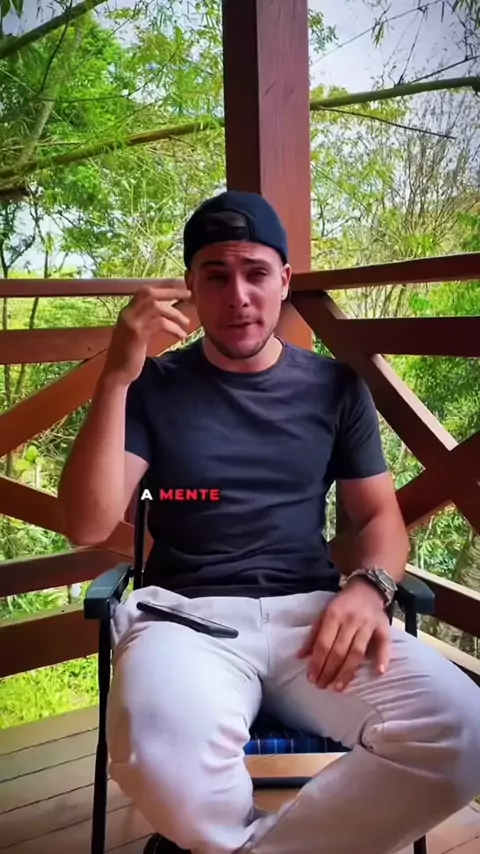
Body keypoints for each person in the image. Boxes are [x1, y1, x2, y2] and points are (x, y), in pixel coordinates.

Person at [58, 191, 480, 854]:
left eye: (256, 273)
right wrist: (115, 376)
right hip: (185, 620)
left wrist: (370, 586)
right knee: (155, 754)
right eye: (216, 276)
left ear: (283, 280)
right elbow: (86, 524)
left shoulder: (335, 388)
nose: (238, 296)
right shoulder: (152, 387)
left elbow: (378, 516)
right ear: (190, 287)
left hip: (313, 620)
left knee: (462, 731)